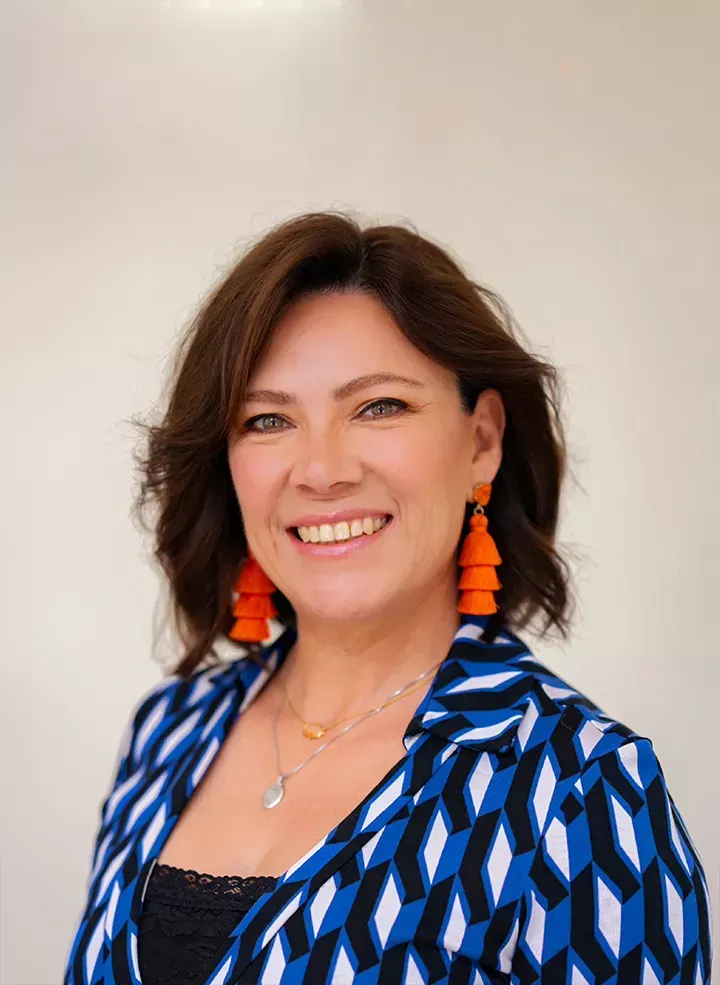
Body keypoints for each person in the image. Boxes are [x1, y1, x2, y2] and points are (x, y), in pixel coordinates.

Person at [64, 212, 711, 985]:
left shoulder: (579, 793)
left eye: (378, 407)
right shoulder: (169, 732)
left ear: (482, 440)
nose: (322, 469)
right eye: (267, 419)